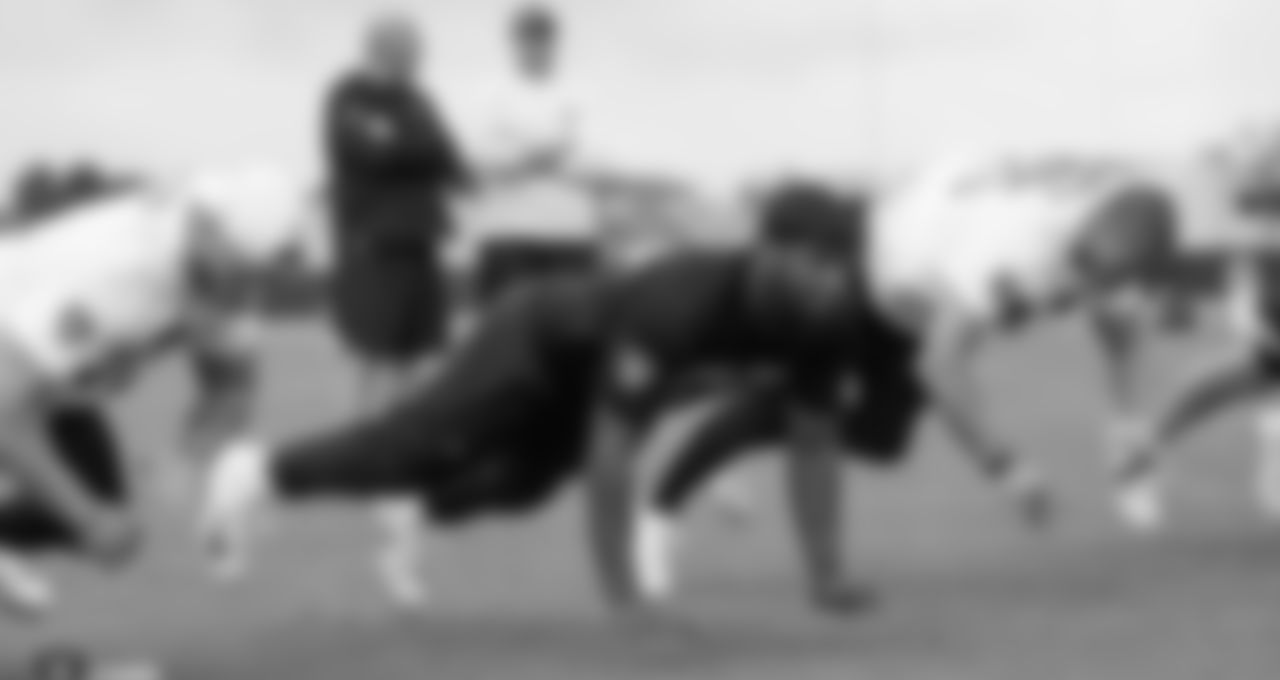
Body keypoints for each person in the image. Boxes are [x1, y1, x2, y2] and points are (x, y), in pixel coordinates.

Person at [198, 181, 880, 618]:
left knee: (522, 488)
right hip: (536, 337)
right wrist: (624, 600)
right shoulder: (683, 301)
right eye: (818, 263)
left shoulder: (824, 323)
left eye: (841, 267)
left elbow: (814, 445)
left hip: (591, 382)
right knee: (417, 445)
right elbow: (613, 457)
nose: (832, 282)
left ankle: (414, 509)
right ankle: (254, 473)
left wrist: (826, 577)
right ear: (768, 252)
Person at [625, 155, 1200, 598]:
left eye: (1104, 276)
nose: (1086, 282)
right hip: (867, 268)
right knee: (802, 408)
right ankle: (659, 515)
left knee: (882, 438)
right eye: (1086, 268)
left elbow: (1117, 327)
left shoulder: (1107, 225)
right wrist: (1007, 468)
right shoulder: (1014, 252)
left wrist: (1125, 428)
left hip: (911, 282)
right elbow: (942, 365)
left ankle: (748, 390)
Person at [0, 164, 329, 620]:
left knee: (105, 519)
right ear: (207, 232)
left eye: (259, 279)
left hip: (48, 387)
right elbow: (6, 411)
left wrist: (188, 459)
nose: (245, 294)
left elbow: (231, 386)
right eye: (241, 274)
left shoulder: (221, 275)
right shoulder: (117, 274)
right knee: (90, 517)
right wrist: (87, 518)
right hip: (13, 373)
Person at [322, 11, 471, 609]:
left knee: (417, 372)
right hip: (372, 250)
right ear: (380, 49)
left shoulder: (419, 100)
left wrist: (413, 147)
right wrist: (417, 149)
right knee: (376, 367)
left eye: (420, 49)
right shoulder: (346, 97)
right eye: (409, 49)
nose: (418, 58)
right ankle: (370, 482)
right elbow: (378, 153)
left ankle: (393, 479)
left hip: (423, 250)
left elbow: (451, 161)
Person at [463, 3, 598, 305]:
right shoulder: (487, 95)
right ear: (514, 42)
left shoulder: (581, 94)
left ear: (555, 43)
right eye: (528, 38)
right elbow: (478, 163)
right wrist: (538, 156)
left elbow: (595, 163)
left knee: (574, 330)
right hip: (507, 235)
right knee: (505, 327)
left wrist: (525, 151)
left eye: (544, 38)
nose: (536, 47)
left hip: (570, 235)